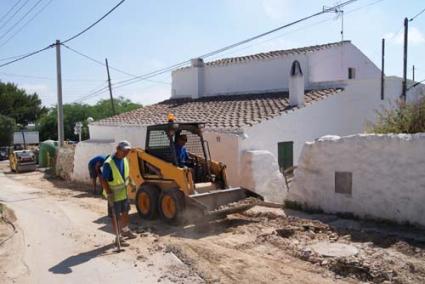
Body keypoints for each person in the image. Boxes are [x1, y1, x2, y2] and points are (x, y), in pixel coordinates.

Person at [100, 141, 136, 246]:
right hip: (114, 195)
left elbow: (126, 175)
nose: (126, 153)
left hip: (123, 193)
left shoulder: (124, 159)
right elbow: (103, 179)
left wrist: (132, 184)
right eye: (125, 151)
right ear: (118, 149)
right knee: (116, 217)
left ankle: (125, 230)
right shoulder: (109, 163)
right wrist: (109, 193)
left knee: (125, 213)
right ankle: (118, 237)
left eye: (128, 151)